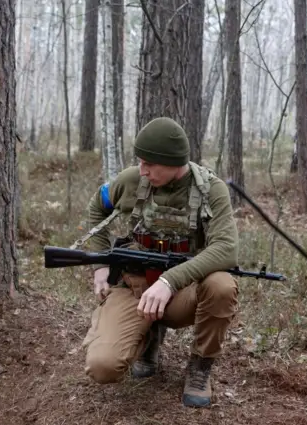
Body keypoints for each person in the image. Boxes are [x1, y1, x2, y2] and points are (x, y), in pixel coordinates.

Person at [79, 116, 240, 408]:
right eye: (140, 162)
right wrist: (100, 266)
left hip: (183, 293)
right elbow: (96, 207)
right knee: (102, 366)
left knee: (221, 285)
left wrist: (169, 281)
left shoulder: (211, 190)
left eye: (149, 164)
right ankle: (148, 340)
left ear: (173, 163)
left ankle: (200, 367)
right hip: (135, 287)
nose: (142, 170)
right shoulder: (131, 181)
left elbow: (226, 248)